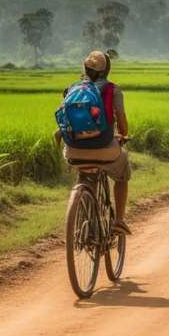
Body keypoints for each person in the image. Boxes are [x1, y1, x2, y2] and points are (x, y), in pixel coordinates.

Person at [61, 51, 133, 236]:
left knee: (84, 174)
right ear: (106, 70)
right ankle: (119, 220)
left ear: (85, 69)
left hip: (73, 151)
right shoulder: (112, 90)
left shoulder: (73, 89)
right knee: (122, 173)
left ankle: (82, 218)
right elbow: (123, 126)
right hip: (105, 150)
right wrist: (122, 135)